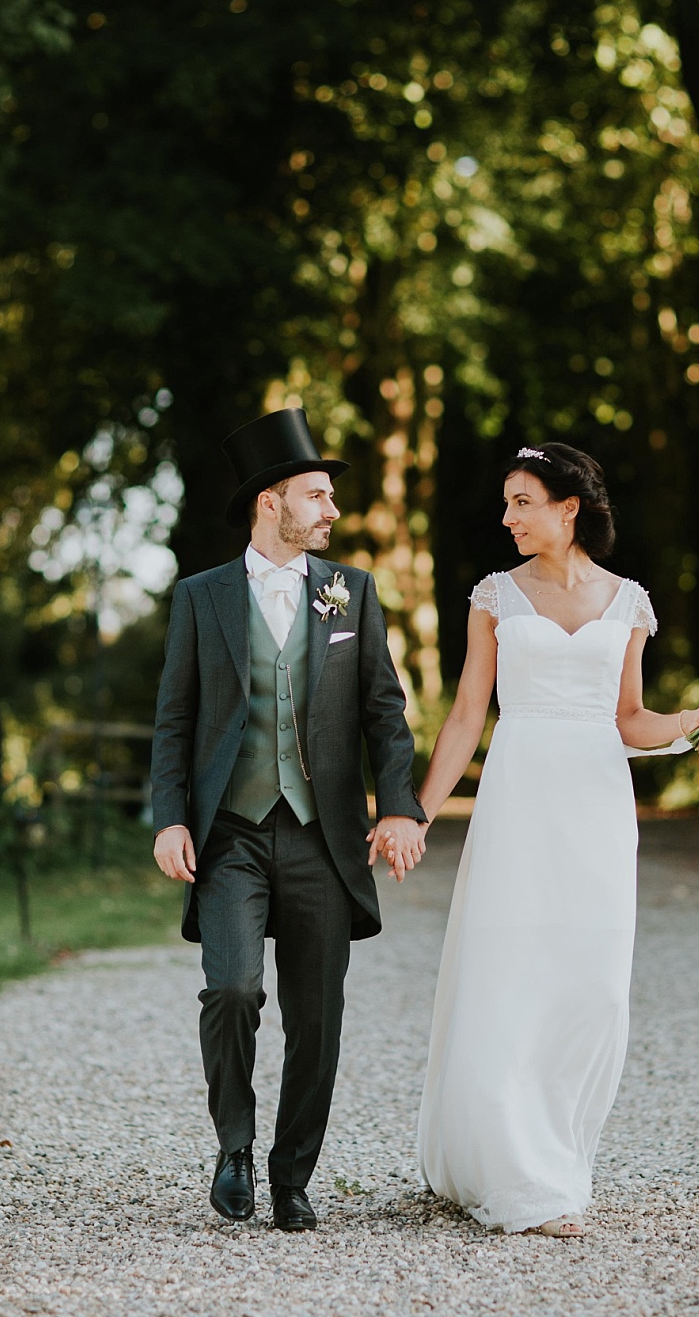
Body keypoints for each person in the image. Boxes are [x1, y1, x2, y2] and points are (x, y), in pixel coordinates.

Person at [412, 443, 699, 1237]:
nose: (507, 516)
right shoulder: (493, 597)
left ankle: (558, 1156)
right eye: (506, 501)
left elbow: (629, 719)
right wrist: (414, 812)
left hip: (595, 804)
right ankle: (517, 1176)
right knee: (509, 975)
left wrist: (694, 719)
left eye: (522, 501)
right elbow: (466, 717)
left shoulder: (629, 602)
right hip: (519, 796)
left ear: (569, 507)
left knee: (588, 986)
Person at [150, 408, 426, 1231]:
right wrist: (171, 818)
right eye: (319, 494)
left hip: (322, 838)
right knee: (231, 989)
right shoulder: (200, 598)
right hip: (231, 832)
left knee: (318, 1019)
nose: (332, 510)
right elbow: (174, 719)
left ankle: (291, 1171)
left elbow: (385, 710)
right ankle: (234, 1144)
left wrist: (401, 805)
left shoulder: (352, 593)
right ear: (272, 502)